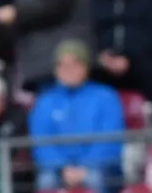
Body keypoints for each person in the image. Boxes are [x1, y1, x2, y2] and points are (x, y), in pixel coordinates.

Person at [29, 40, 125, 193]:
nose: (69, 70)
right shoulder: (44, 101)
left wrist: (85, 167)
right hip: (58, 171)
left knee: (95, 179)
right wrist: (63, 168)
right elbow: (41, 143)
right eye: (62, 65)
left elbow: (111, 139)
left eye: (75, 64)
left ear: (86, 67)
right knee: (46, 181)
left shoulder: (106, 97)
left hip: (98, 169)